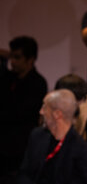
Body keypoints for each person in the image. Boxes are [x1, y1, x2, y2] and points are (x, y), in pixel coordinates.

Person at [18, 89, 87, 184]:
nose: (41, 112)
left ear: (57, 114)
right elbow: (24, 173)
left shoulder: (82, 151)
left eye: (44, 107)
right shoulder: (37, 136)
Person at [0, 36, 47, 183]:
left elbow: (21, 114)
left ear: (30, 59)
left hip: (21, 149)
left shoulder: (37, 83)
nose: (13, 61)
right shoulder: (8, 79)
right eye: (12, 57)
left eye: (17, 57)